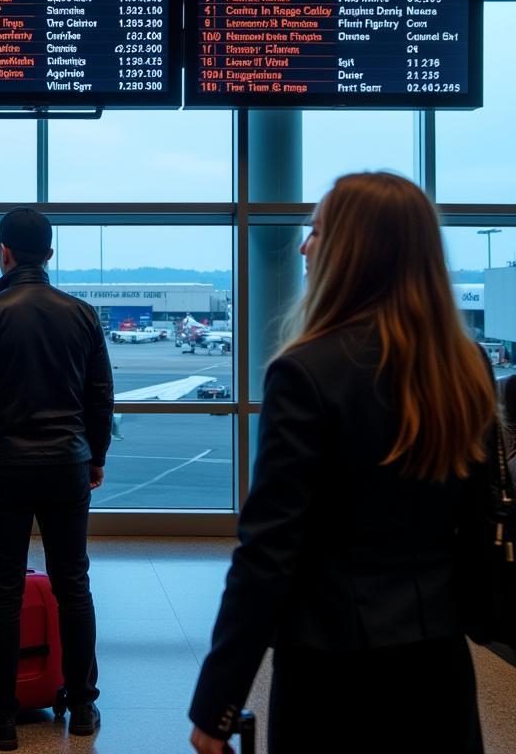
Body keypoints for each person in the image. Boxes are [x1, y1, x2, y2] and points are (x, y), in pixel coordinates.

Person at [188, 172, 497, 754]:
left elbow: (269, 554)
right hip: (438, 659)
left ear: (355, 251)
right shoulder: (467, 366)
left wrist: (217, 702)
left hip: (333, 667)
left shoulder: (307, 371)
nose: (304, 246)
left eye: (317, 231)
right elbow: (476, 525)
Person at [0, 207, 114, 751]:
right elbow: (100, 395)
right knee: (72, 582)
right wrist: (94, 455)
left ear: (3, 252)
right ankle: (81, 705)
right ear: (49, 256)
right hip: (67, 463)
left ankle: (0, 717)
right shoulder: (82, 314)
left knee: (3, 588)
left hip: (2, 466)